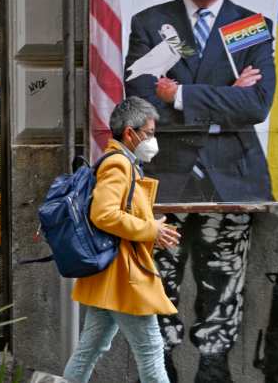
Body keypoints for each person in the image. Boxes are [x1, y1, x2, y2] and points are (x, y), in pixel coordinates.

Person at [123, 0, 274, 381]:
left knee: (225, 280)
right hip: (164, 179)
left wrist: (183, 93)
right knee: (159, 279)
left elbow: (257, 105)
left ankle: (214, 367)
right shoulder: (151, 23)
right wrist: (225, 96)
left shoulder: (251, 25)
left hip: (232, 178)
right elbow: (141, 100)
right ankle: (161, 365)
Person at [63, 96, 182, 383]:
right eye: (149, 134)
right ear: (130, 133)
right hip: (125, 277)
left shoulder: (122, 162)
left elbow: (120, 215)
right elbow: (104, 214)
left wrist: (152, 228)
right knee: (151, 351)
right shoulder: (119, 164)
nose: (152, 140)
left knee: (89, 350)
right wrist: (150, 230)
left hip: (112, 276)